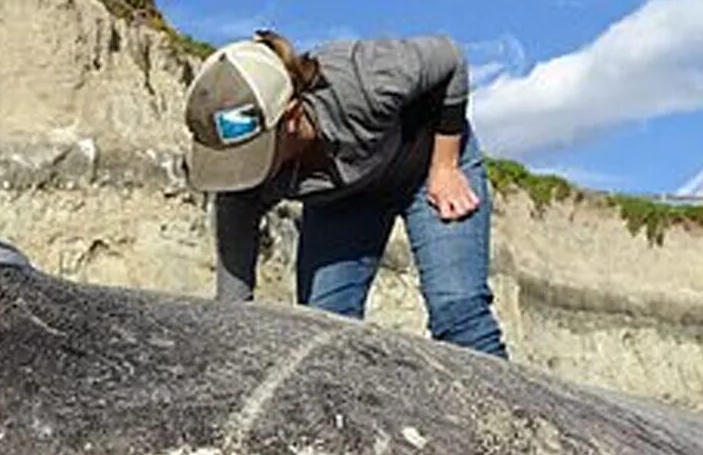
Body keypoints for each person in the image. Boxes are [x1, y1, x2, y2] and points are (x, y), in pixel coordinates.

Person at [182, 30, 508, 359]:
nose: (242, 170)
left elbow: (449, 58)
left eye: (252, 155)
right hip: (345, 199)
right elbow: (232, 304)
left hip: (427, 166)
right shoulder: (242, 185)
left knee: (458, 312)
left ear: (292, 117)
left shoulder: (360, 79)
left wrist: (445, 165)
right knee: (322, 330)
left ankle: (511, 411)